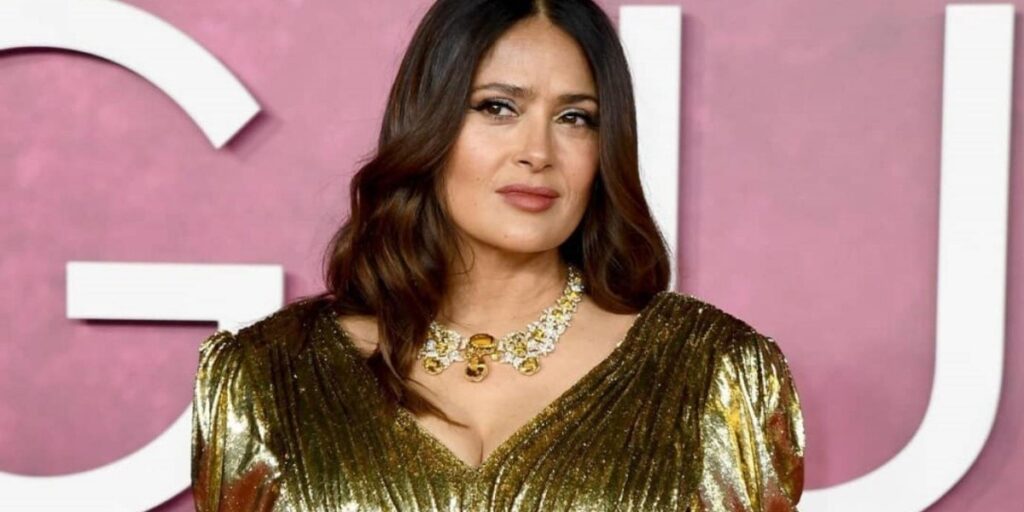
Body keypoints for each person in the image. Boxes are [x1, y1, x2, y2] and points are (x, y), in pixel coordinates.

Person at [190, 0, 805, 510]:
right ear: (428, 123)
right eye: (497, 107)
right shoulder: (268, 378)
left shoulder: (713, 376)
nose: (538, 151)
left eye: (575, 118)